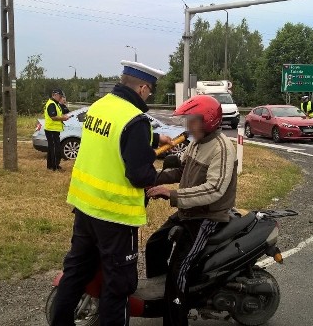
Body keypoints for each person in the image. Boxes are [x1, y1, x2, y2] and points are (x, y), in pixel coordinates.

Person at [50, 60, 173, 326]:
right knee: (117, 287)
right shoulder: (135, 119)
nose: (149, 95)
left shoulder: (101, 105)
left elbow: (114, 136)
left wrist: (153, 139)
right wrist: (157, 175)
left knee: (76, 273)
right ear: (141, 88)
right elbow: (140, 175)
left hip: (85, 208)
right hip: (116, 217)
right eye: (149, 90)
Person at [147, 95, 237, 326]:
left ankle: (176, 315)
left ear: (208, 121)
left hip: (207, 216)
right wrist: (151, 180)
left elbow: (214, 189)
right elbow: (180, 170)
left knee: (180, 269)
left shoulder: (222, 148)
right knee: (155, 244)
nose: (188, 125)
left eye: (193, 120)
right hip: (189, 211)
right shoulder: (196, 142)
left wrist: (172, 194)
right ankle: (161, 296)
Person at [44, 89, 70, 171]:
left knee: (51, 148)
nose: (61, 98)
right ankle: (55, 167)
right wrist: (63, 118)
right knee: (55, 149)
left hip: (53, 129)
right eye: (60, 96)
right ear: (55, 95)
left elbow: (61, 112)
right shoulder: (51, 104)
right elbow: (53, 117)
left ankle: (50, 166)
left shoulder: (55, 104)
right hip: (51, 129)